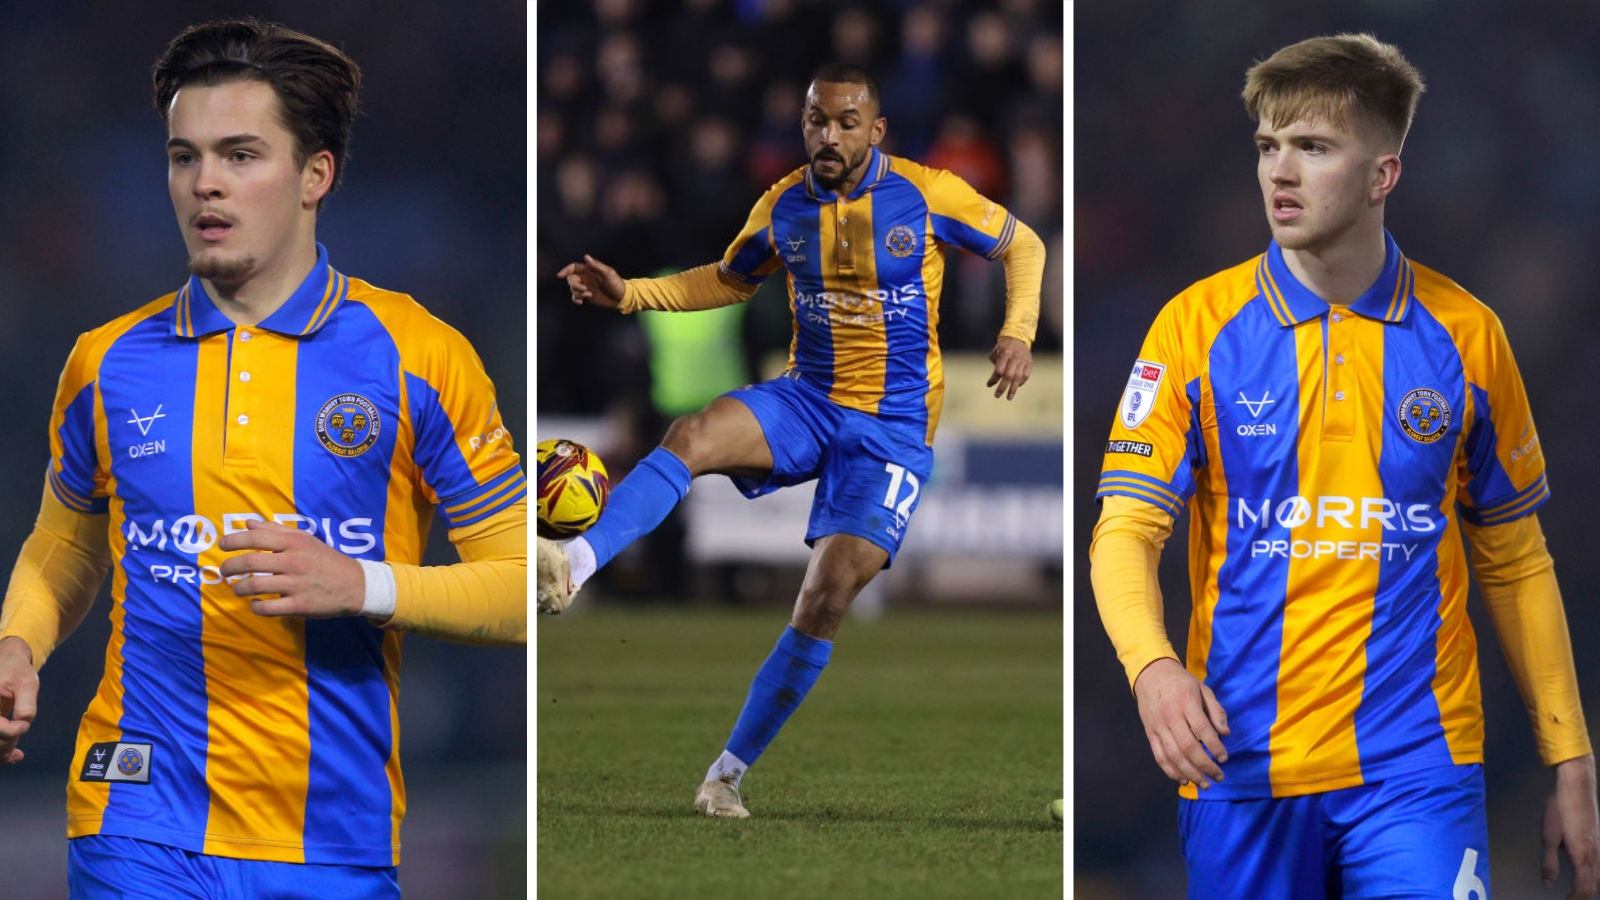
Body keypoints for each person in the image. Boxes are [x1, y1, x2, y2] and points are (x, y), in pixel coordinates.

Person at [0, 19, 527, 897]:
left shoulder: (420, 355)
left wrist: (362, 586)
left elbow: (521, 587)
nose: (205, 183)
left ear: (316, 174)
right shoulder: (106, 361)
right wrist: (20, 641)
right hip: (136, 817)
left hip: (333, 837)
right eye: (183, 156)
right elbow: (68, 542)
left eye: (241, 155)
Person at [1089, 33, 1600, 898]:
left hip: (1420, 771)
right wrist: (1153, 667)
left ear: (1382, 176)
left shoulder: (1468, 335)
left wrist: (1571, 756)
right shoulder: (1193, 328)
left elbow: (1514, 558)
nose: (1280, 173)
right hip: (1241, 765)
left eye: (1314, 148)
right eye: (1268, 147)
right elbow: (1126, 529)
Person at [541, 62, 1044, 818]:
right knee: (694, 432)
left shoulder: (926, 193)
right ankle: (572, 565)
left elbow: (1025, 245)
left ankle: (726, 775)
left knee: (827, 592)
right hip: (808, 397)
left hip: (892, 430)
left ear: (876, 130)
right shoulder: (783, 206)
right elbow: (728, 278)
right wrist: (632, 295)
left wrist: (1017, 332)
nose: (829, 135)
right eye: (817, 120)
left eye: (846, 122)